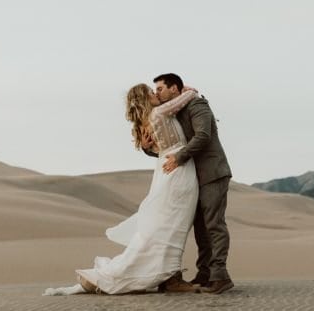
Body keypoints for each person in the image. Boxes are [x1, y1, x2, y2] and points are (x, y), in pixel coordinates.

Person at [43, 83, 201, 296]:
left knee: (165, 225)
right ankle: (158, 275)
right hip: (177, 172)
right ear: (144, 99)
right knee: (171, 225)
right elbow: (188, 96)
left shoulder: (147, 121)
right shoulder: (159, 112)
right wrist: (183, 89)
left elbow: (159, 147)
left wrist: (149, 148)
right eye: (151, 92)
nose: (155, 94)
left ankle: (168, 274)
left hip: (166, 171)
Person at [152, 73, 234, 294]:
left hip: (212, 172)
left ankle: (220, 276)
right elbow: (172, 146)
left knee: (213, 225)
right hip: (193, 178)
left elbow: (203, 136)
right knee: (200, 229)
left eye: (160, 89)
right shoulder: (174, 112)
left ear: (174, 88)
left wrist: (179, 158)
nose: (156, 94)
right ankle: (205, 273)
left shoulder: (198, 105)